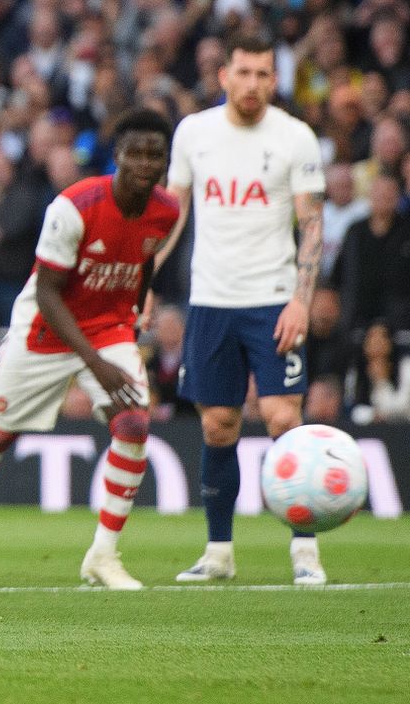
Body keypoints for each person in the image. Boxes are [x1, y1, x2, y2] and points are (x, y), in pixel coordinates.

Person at [0, 108, 179, 591]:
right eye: (136, 153)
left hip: (109, 329)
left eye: (155, 154)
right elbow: (48, 294)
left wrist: (138, 305)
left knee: (133, 424)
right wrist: (94, 363)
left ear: (166, 160)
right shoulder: (73, 207)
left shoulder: (167, 210)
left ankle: (103, 555)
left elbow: (141, 260)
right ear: (117, 155)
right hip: (44, 330)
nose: (145, 163)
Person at [159, 35, 327, 585]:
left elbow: (312, 223)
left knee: (283, 419)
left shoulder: (295, 137)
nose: (252, 84)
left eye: (263, 74)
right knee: (218, 425)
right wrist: (143, 277)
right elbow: (173, 213)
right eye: (244, 72)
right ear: (224, 76)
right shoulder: (194, 133)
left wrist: (300, 300)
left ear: (274, 81)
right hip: (211, 299)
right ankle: (219, 553)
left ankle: (305, 552)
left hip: (273, 299)